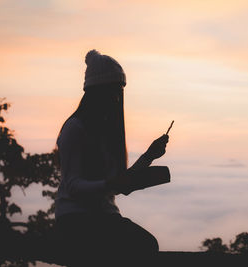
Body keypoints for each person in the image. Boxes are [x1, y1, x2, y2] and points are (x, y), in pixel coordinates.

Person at [54, 49, 169, 266]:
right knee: (143, 246)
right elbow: (73, 186)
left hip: (103, 218)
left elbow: (118, 184)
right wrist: (111, 183)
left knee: (145, 245)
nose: (116, 98)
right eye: (112, 91)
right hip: (76, 220)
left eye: (119, 92)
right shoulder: (75, 129)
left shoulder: (103, 132)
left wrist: (149, 156)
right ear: (95, 92)